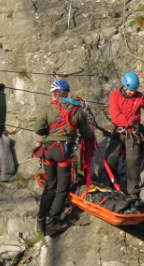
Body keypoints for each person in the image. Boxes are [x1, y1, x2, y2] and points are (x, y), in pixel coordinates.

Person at [33, 80, 94, 236]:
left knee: (50, 185)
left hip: (48, 151)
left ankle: (41, 220)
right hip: (63, 152)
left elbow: (38, 129)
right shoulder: (78, 111)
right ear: (67, 93)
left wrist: (50, 130)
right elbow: (87, 135)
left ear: (56, 94)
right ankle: (52, 222)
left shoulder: (47, 108)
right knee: (62, 188)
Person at [105, 72, 144, 198]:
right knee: (109, 159)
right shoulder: (115, 95)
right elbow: (115, 116)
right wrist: (133, 123)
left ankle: (133, 192)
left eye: (134, 90)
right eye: (130, 90)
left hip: (133, 135)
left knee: (133, 162)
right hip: (119, 132)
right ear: (124, 86)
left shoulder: (141, 97)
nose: (132, 93)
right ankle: (115, 184)